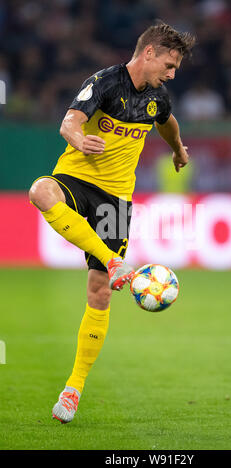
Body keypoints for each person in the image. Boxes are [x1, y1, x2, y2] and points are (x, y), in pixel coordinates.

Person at [29, 21, 195, 424]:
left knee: (99, 292)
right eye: (170, 65)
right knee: (40, 191)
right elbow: (69, 120)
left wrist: (177, 149)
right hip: (77, 178)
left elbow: (166, 122)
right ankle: (114, 260)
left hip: (116, 199)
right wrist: (78, 139)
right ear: (150, 52)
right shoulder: (104, 82)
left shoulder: (157, 97)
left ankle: (73, 389)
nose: (172, 74)